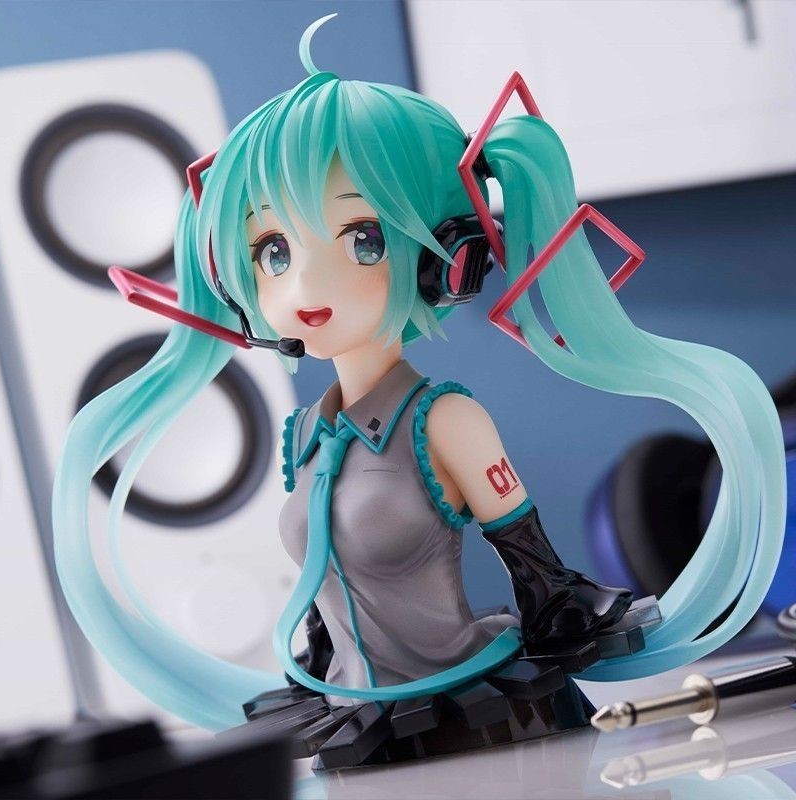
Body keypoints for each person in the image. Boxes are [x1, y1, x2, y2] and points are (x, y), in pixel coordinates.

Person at [53, 15, 786, 758]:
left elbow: (537, 572)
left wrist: (564, 626)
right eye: (273, 250)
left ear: (449, 259)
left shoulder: (444, 421)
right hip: (351, 716)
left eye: (363, 239)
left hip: (473, 714)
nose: (305, 286)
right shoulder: (304, 435)